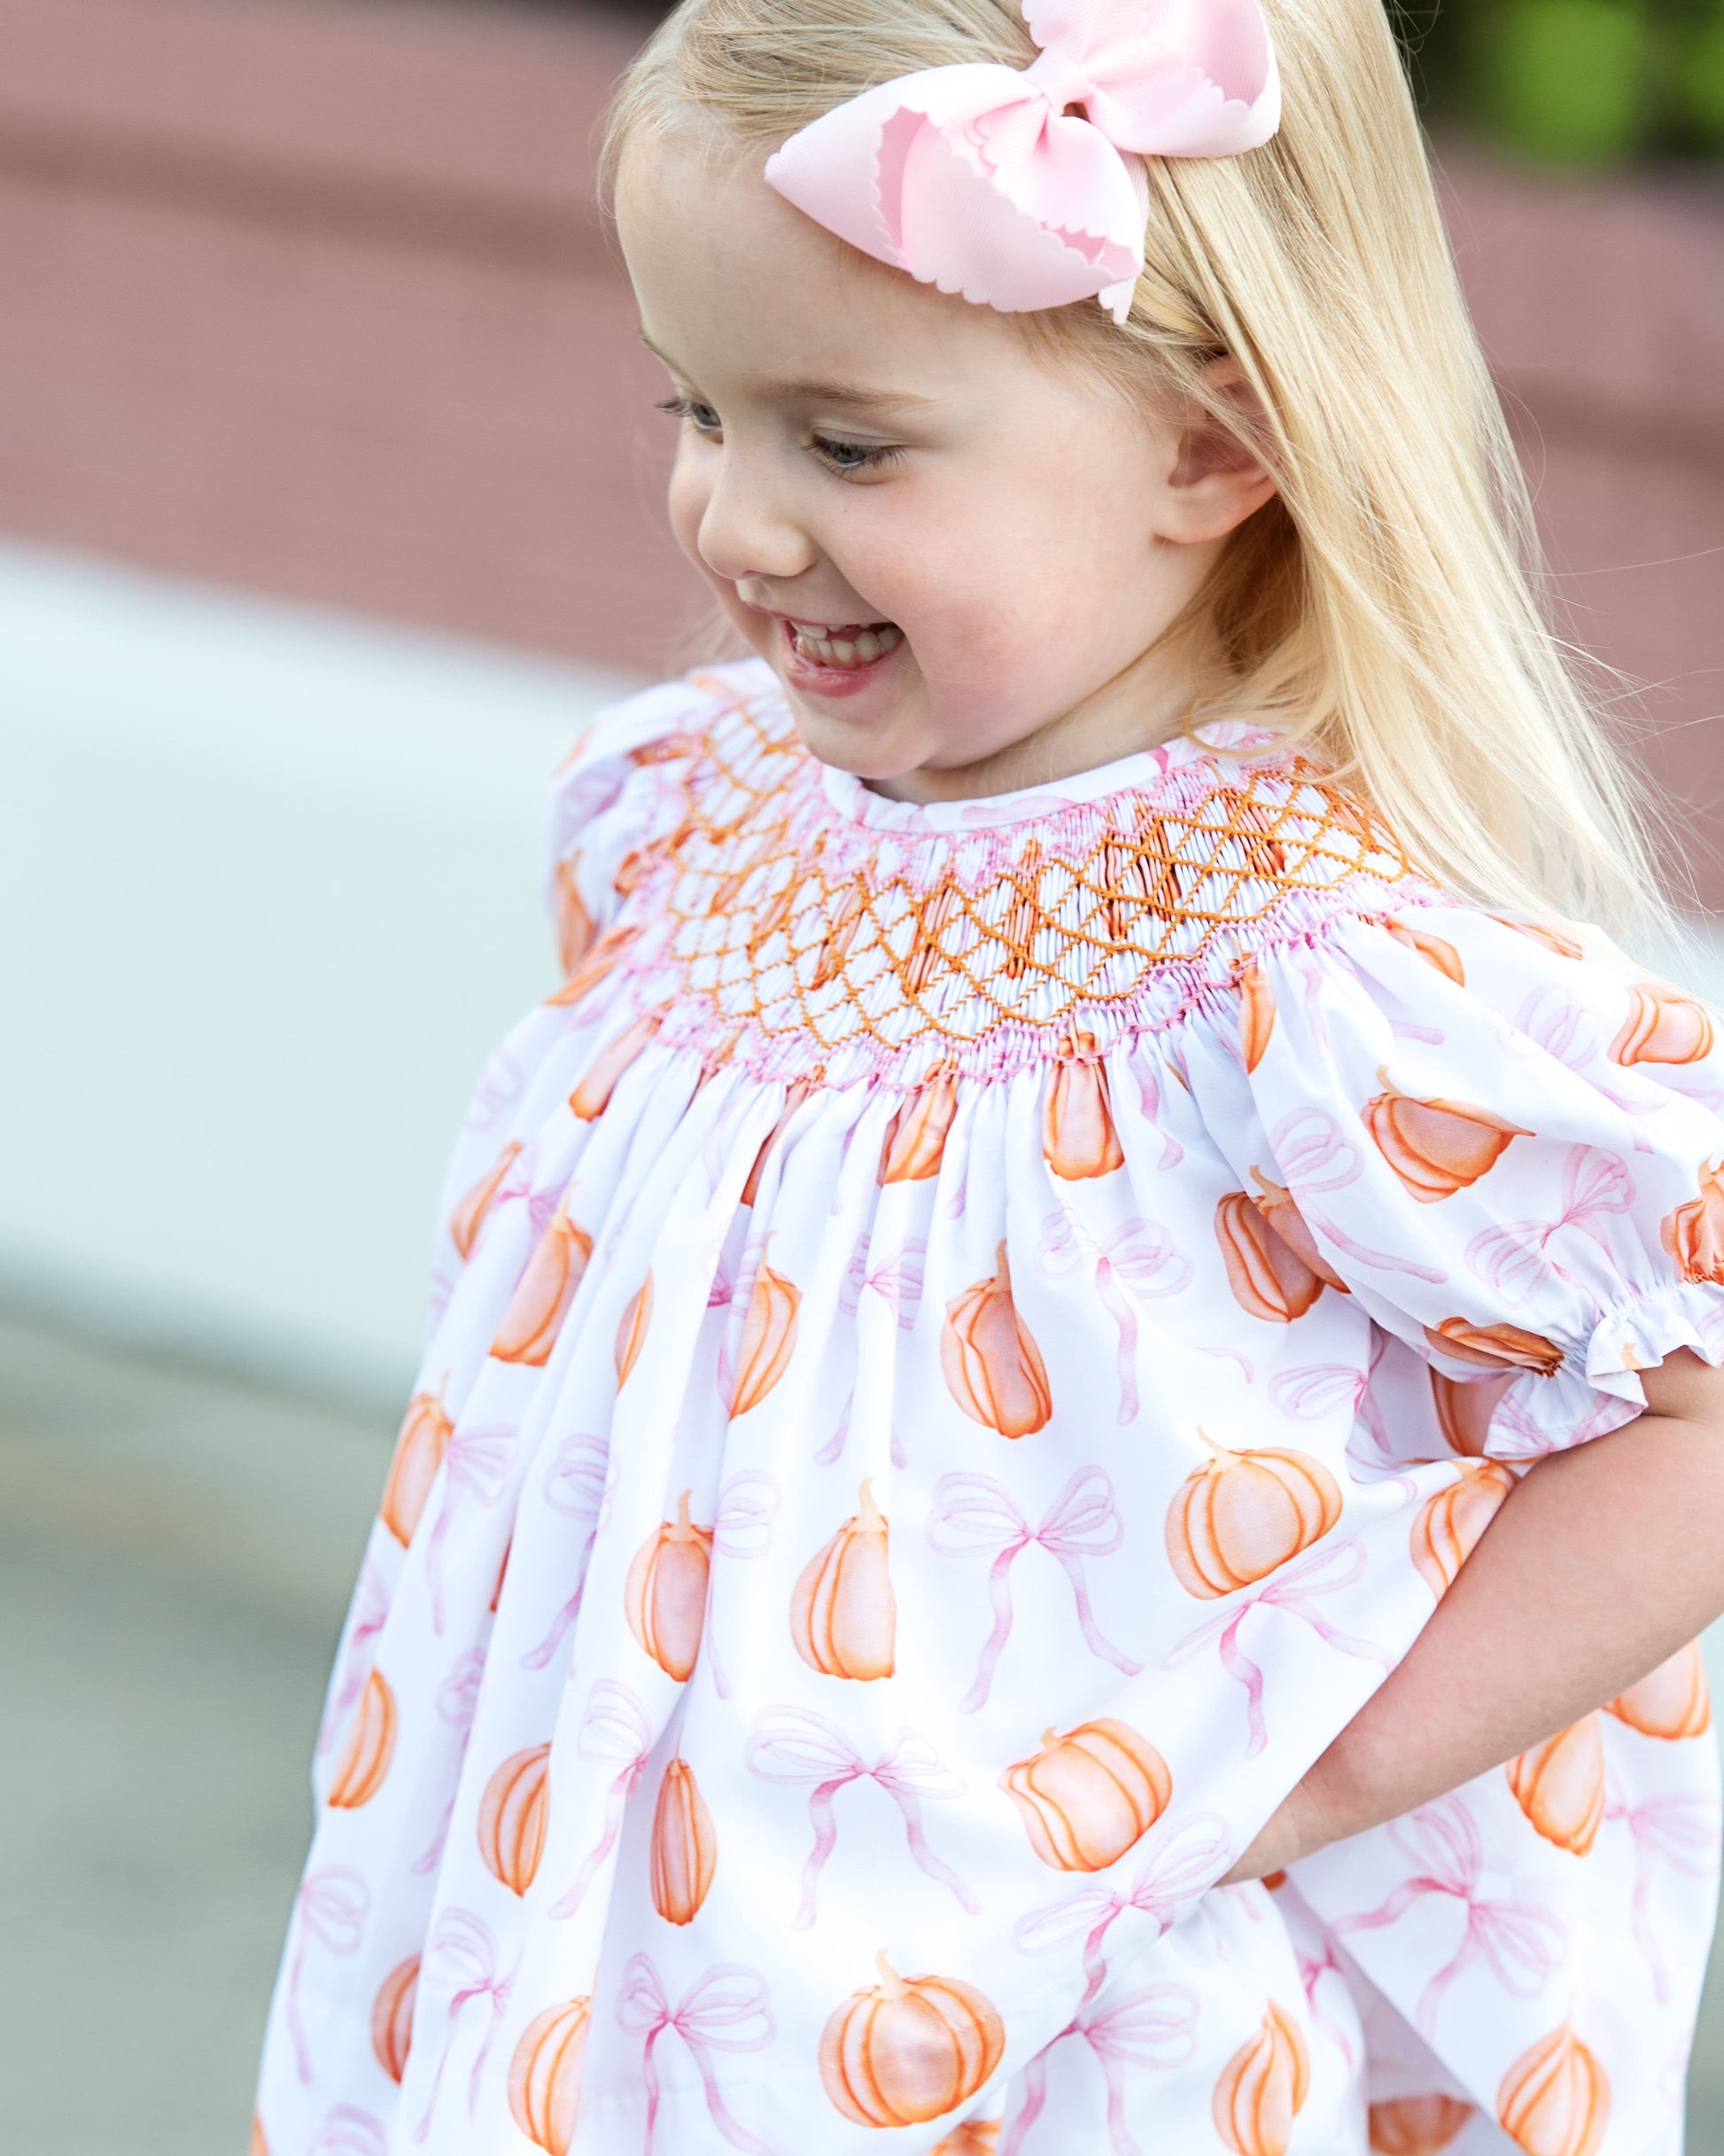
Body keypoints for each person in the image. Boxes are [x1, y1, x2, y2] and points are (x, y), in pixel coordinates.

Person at [253, 0, 1724, 2148]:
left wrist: (1306, 1767)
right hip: (580, 1941)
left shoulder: (1304, 979)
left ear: (1213, 451)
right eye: (697, 406)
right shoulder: (678, 820)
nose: (734, 521)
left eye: (843, 445)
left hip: (1048, 2017)